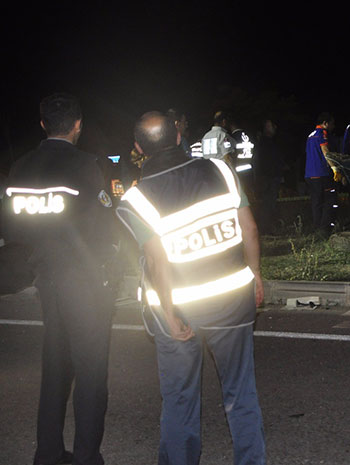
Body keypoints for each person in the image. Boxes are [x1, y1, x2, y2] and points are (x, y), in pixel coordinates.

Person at [115, 111, 266, 465]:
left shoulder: (136, 200)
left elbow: (157, 261)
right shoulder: (221, 170)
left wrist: (168, 314)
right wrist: (256, 274)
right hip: (232, 300)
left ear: (138, 148)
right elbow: (250, 229)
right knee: (241, 394)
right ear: (179, 137)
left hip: (179, 309)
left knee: (180, 399)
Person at [1, 93, 117, 465]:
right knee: (90, 372)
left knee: (54, 367)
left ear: (42, 124)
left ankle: (47, 452)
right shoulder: (85, 165)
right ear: (78, 124)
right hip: (83, 280)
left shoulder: (20, 168)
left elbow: (12, 225)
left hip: (44, 277)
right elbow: (104, 223)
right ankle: (86, 456)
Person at [305, 112, 339, 238]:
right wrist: (334, 168)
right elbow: (325, 151)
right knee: (329, 201)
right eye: (332, 123)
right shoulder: (322, 133)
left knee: (316, 202)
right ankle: (325, 230)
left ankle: (317, 229)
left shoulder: (310, 135)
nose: (333, 126)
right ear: (325, 123)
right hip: (322, 174)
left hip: (310, 175)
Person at [254, 118, 285, 235]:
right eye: (271, 125)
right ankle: (265, 229)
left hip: (270, 177)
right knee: (267, 204)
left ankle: (267, 228)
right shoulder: (263, 143)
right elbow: (264, 161)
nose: (274, 128)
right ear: (266, 127)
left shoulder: (269, 142)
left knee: (270, 203)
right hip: (268, 178)